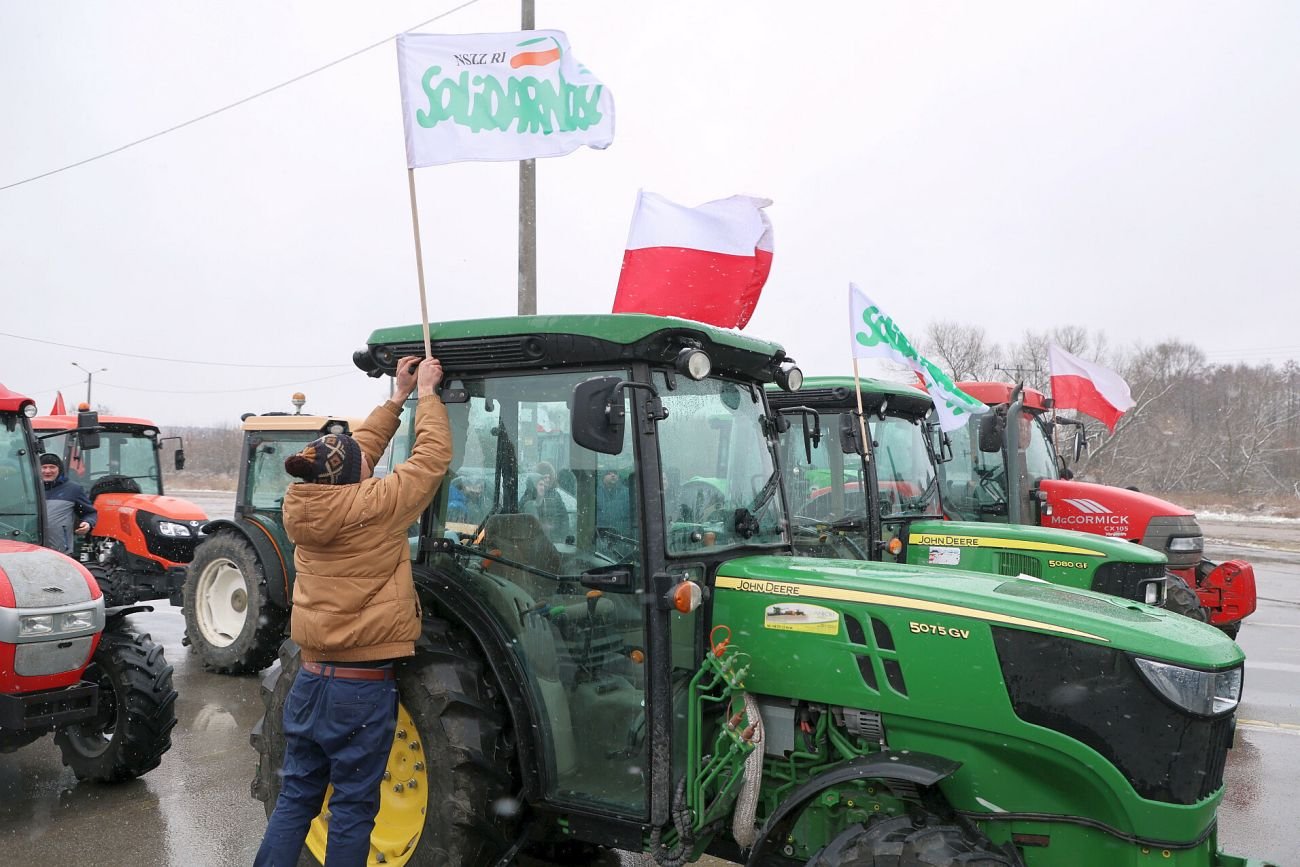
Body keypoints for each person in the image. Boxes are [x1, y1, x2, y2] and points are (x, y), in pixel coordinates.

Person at [254, 355, 450, 867]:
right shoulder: (376, 508)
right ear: (354, 478)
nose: (371, 461)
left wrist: (396, 398)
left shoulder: (310, 503)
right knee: (354, 806)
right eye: (364, 463)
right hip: (358, 691)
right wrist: (427, 394)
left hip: (311, 680)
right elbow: (430, 460)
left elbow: (353, 452)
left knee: (297, 797)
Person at [40, 453, 96, 555]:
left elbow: (90, 513)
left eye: (52, 467)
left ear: (59, 469)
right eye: (44, 467)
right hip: (29, 549)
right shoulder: (28, 489)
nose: (47, 471)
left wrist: (88, 523)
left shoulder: (72, 489)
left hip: (61, 552)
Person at [522, 460, 570, 542]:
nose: (547, 480)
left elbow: (564, 518)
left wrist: (560, 537)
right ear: (538, 478)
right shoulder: (529, 495)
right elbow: (522, 518)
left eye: (549, 477)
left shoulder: (556, 496)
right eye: (545, 477)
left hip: (554, 540)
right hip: (534, 539)